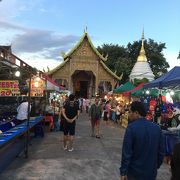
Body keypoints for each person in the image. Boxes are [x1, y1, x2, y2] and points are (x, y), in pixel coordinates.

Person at [120, 101, 165, 180]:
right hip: (151, 173)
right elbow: (161, 152)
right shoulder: (157, 128)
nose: (129, 114)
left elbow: (127, 152)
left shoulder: (131, 128)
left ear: (136, 113)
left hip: (134, 173)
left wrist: (123, 171)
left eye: (130, 112)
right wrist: (155, 166)